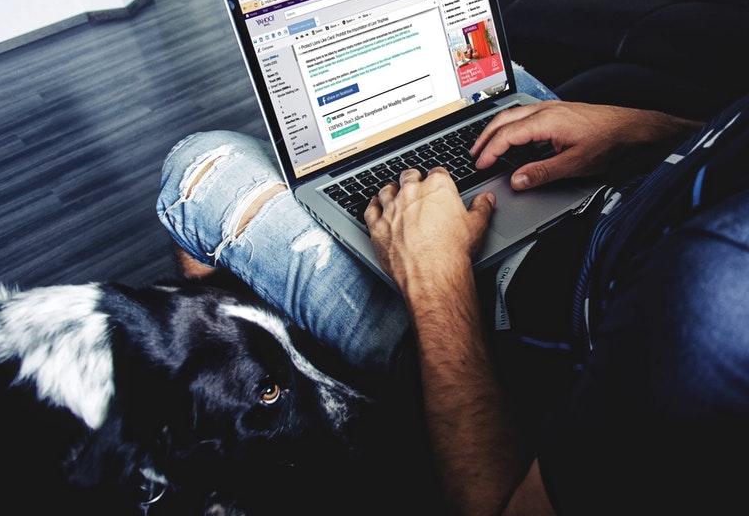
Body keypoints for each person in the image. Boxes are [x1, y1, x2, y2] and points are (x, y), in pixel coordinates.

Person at [156, 67, 749, 515]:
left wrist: (434, 275)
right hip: (625, 196)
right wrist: (651, 131)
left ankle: (241, 392)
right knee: (488, 89)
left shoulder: (716, 295)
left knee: (198, 162)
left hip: (499, 317)